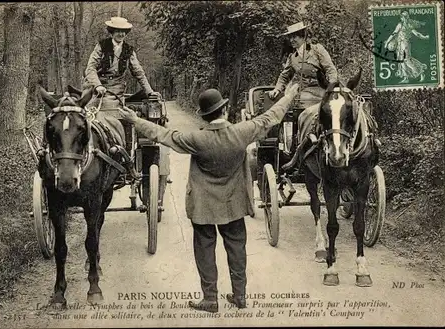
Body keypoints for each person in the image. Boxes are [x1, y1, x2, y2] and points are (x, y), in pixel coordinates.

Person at [118, 83, 301, 313]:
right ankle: (240, 295)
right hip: (234, 204)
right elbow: (271, 117)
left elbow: (162, 134)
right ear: (224, 111)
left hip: (203, 206)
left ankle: (210, 299)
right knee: (237, 248)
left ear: (204, 117)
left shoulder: (196, 139)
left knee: (204, 250)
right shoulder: (242, 132)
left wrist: (135, 120)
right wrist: (290, 95)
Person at [84, 16, 170, 194]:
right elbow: (90, 69)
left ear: (126, 33)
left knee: (124, 118)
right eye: (117, 31)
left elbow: (138, 72)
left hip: (116, 92)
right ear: (112, 32)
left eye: (123, 31)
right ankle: (87, 156)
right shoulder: (101, 46)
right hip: (96, 89)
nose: (120, 34)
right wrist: (97, 85)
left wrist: (149, 91)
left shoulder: (129, 51)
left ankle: (124, 158)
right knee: (89, 117)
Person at [268, 21, 338, 168]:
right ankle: (294, 146)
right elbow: (284, 76)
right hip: (303, 92)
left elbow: (330, 69)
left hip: (321, 89)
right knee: (290, 112)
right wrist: (277, 89)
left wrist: (332, 87)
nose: (293, 40)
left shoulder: (317, 50)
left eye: (296, 37)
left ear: (303, 37)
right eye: (291, 37)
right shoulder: (292, 57)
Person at [384, 11, 429, 83]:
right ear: (401, 18)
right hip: (399, 44)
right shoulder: (400, 25)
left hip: (405, 44)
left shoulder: (409, 25)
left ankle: (420, 72)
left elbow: (417, 34)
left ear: (407, 17)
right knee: (402, 61)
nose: (404, 18)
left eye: (406, 17)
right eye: (403, 17)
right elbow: (394, 33)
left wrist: (424, 37)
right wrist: (387, 42)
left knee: (407, 60)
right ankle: (406, 78)